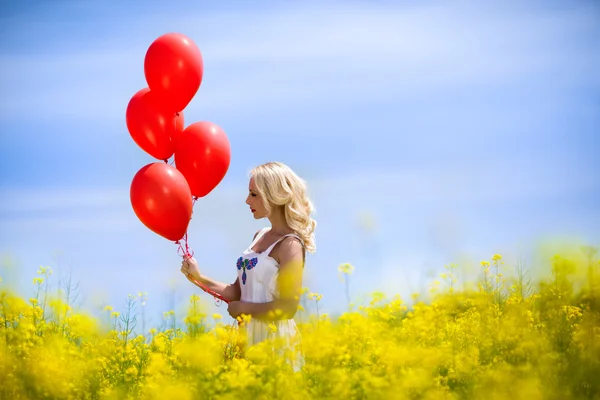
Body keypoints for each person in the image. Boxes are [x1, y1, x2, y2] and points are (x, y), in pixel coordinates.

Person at [180, 161, 316, 369]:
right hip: (248, 339)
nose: (246, 200)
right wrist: (198, 277)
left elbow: (288, 307)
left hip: (275, 343)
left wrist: (245, 309)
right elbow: (237, 291)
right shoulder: (258, 236)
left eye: (254, 194)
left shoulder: (290, 244)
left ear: (274, 195)